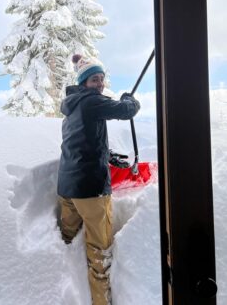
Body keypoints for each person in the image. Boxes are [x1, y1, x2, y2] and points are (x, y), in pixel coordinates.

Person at [57, 54, 140, 305]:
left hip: (67, 187)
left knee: (66, 239)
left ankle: (57, 279)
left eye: (102, 79)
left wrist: (109, 156)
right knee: (99, 252)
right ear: (84, 82)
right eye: (95, 79)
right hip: (91, 190)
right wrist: (129, 100)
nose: (100, 84)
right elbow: (128, 110)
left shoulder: (72, 105)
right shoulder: (91, 101)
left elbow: (83, 142)